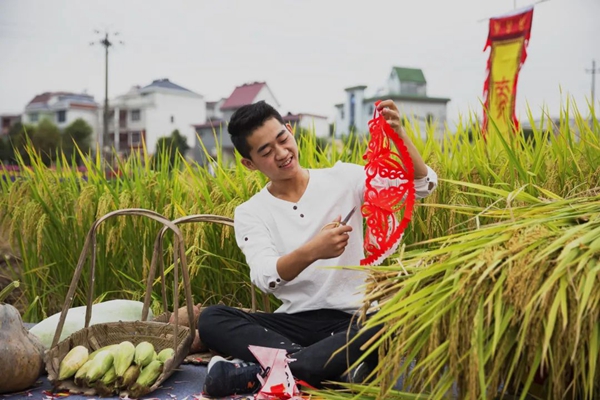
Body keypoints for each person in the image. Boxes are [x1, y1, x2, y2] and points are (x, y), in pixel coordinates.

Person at [198, 100, 437, 397]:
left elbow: (422, 185)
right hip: (295, 324)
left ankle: (272, 371)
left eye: (283, 140)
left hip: (356, 320)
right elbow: (264, 275)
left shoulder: (344, 179)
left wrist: (399, 135)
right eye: (266, 152)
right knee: (211, 319)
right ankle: (318, 365)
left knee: (395, 318)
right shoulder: (251, 212)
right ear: (250, 163)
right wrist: (313, 250)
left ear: (289, 130)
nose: (282, 153)